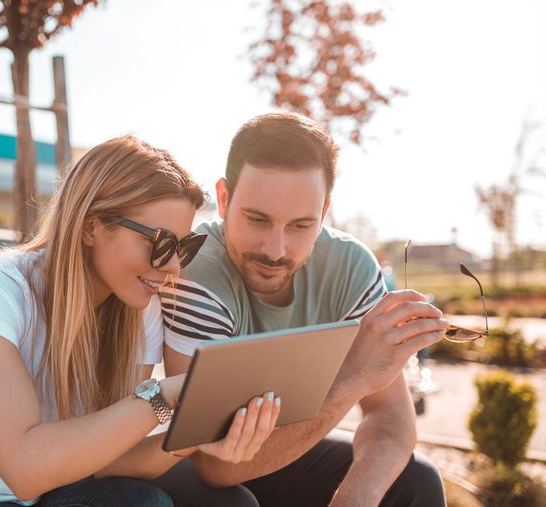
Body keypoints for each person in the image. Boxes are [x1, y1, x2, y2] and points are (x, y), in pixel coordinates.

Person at [0, 136, 280, 507]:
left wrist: (194, 434)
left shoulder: (137, 306)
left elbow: (110, 461)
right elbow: (24, 469)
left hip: (60, 489)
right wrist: (167, 394)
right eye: (160, 243)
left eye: (183, 247)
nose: (174, 267)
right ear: (90, 226)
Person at [158, 113, 450, 506]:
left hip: (280, 446)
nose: (275, 250)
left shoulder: (349, 266)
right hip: (185, 461)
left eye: (300, 225)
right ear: (224, 200)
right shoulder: (196, 271)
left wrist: (355, 498)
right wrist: (352, 378)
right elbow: (218, 467)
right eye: (257, 219)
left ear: (325, 209)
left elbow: (391, 416)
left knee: (416, 480)